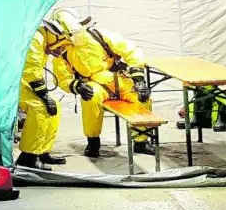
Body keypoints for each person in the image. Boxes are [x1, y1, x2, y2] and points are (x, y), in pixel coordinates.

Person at [45, 9, 153, 158]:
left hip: (118, 77)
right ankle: (93, 141)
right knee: (90, 97)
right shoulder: (62, 52)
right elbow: (62, 78)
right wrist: (76, 86)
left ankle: (141, 141)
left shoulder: (98, 34)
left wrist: (139, 80)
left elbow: (131, 51)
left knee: (142, 96)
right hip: (94, 83)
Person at [17, 16, 72, 168]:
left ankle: (42, 151)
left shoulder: (43, 40)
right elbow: (31, 70)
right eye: (61, 44)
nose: (60, 49)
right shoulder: (36, 39)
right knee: (39, 108)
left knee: (55, 106)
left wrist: (46, 96)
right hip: (13, 85)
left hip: (24, 82)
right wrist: (44, 96)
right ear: (55, 34)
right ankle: (28, 156)